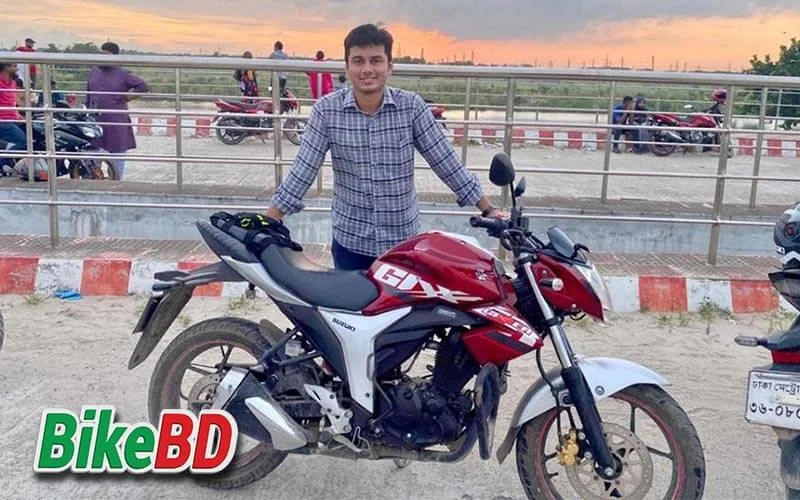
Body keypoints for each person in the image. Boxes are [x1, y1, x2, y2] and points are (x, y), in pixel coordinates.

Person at [265, 23, 504, 270]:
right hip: (351, 241)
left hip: (402, 243)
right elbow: (303, 170)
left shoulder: (411, 108)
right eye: (358, 61)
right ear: (347, 67)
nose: (367, 69)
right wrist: (268, 222)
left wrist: (488, 209)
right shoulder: (326, 111)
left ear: (390, 66)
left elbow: (446, 162)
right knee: (349, 296)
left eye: (376, 60)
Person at [85, 42, 149, 180]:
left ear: (114, 57)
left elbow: (143, 86)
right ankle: (93, 181)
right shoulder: (94, 71)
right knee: (93, 154)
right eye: (100, 54)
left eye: (106, 55)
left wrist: (127, 97)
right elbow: (88, 94)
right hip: (96, 119)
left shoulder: (122, 74)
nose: (102, 58)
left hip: (116, 120)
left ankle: (115, 182)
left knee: (117, 155)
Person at [0, 62, 26, 151]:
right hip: (3, 121)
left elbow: (11, 102)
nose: (17, 69)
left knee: (36, 134)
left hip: (13, 119)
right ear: (6, 68)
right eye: (14, 66)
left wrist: (17, 114)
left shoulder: (13, 83)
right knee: (22, 141)